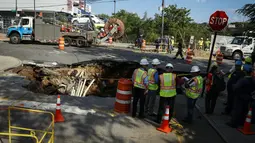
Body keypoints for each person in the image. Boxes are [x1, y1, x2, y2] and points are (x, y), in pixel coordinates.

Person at [226, 63, 255, 128]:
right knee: (244, 110)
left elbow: (236, 87)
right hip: (247, 97)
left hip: (240, 96)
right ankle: (242, 122)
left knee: (236, 109)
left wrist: (233, 86)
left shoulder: (243, 80)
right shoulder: (252, 80)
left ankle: (233, 123)